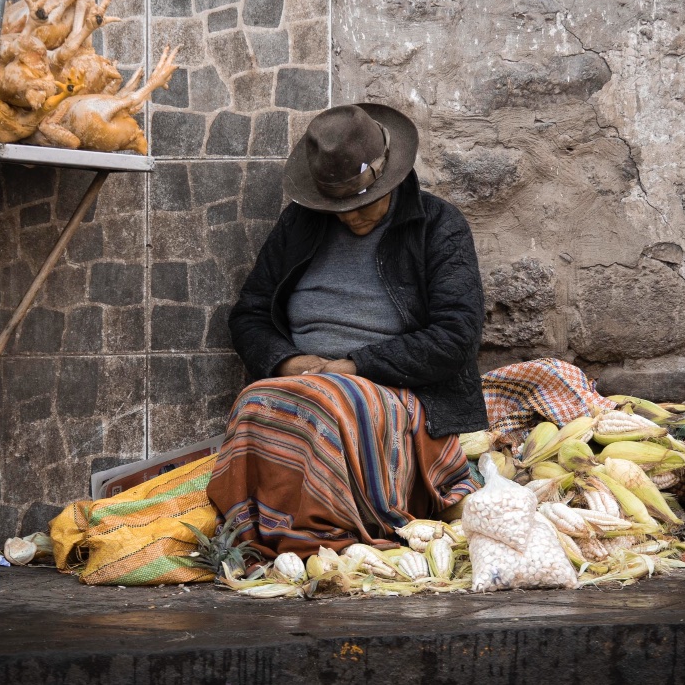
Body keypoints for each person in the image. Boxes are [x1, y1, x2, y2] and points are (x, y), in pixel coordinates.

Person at [208, 103, 489, 559]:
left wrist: (355, 365)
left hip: (397, 388)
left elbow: (455, 336)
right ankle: (258, 533)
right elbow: (250, 313)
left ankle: (319, 539)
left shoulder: (437, 225)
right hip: (306, 380)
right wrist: (288, 361)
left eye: (362, 203)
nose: (350, 216)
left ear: (389, 178)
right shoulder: (299, 223)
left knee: (328, 406)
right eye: (336, 207)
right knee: (255, 401)